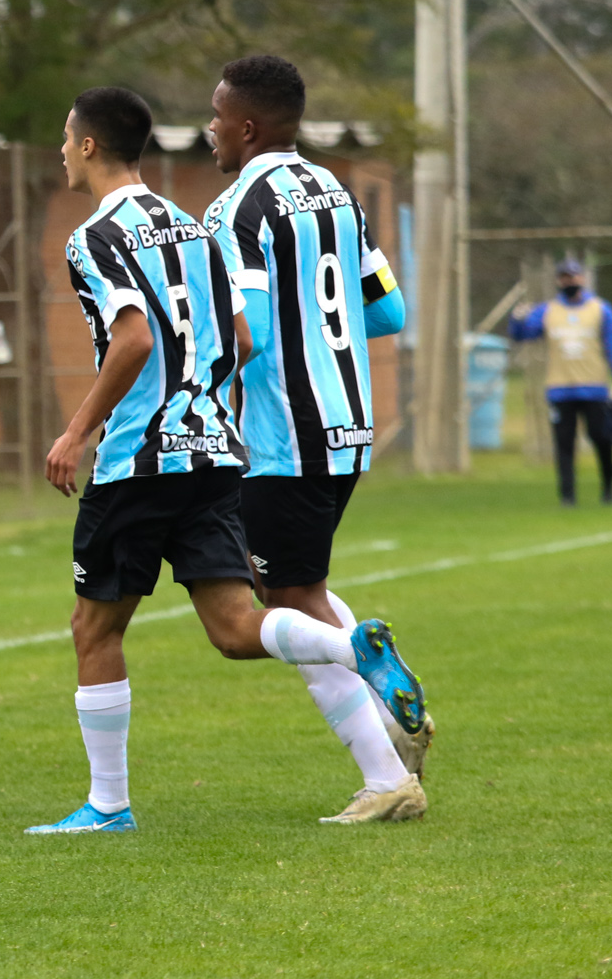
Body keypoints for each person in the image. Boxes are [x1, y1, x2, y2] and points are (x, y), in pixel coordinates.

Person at [26, 85, 426, 837]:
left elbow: (134, 338)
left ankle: (107, 806)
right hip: (215, 454)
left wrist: (78, 430)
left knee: (94, 628)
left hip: (140, 461)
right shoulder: (193, 228)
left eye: (65, 139)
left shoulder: (94, 239)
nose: (60, 152)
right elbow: (239, 340)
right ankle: (351, 647)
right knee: (238, 626)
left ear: (86, 146)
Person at [203, 54, 432, 824]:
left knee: (285, 602)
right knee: (292, 589)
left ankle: (385, 774)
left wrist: (192, 384)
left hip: (280, 436)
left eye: (215, 116)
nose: (209, 130)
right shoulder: (339, 193)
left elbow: (252, 335)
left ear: (246, 125)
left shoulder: (237, 208)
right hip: (348, 423)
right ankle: (391, 715)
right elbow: (389, 314)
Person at [510, 258, 612, 506]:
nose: (570, 281)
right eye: (565, 277)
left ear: (583, 279)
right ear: (558, 281)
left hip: (594, 388)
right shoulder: (548, 311)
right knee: (564, 445)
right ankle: (567, 497)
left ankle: (608, 486)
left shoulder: (600, 309)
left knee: (601, 438)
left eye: (573, 277)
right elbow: (523, 335)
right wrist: (518, 319)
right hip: (560, 389)